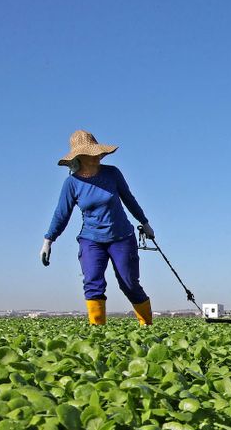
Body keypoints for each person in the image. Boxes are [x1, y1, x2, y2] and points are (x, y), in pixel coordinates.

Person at [41, 130, 157, 325]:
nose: (96, 157)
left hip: (121, 237)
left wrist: (145, 223)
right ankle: (98, 334)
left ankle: (147, 325)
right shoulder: (72, 183)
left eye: (97, 153)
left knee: (129, 284)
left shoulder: (112, 173)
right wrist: (48, 241)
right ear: (79, 157)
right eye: (90, 154)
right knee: (93, 283)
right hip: (91, 240)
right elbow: (61, 214)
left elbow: (129, 199)